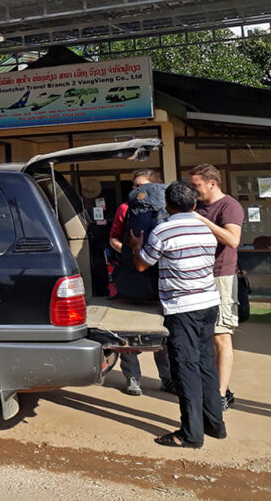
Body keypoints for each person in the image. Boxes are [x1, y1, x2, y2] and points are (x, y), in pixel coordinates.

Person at [128, 180, 224, 448]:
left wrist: (137, 244)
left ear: (167, 205)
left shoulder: (164, 231)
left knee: (185, 368)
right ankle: (215, 425)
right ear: (193, 204)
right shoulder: (206, 228)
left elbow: (141, 265)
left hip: (183, 309)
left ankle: (191, 434)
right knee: (206, 364)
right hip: (208, 304)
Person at [109, 169, 172, 396]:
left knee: (162, 334)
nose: (137, 190)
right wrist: (129, 252)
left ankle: (167, 378)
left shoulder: (168, 207)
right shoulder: (126, 208)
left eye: (142, 185)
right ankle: (133, 378)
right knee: (129, 332)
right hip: (133, 273)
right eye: (134, 186)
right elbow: (114, 237)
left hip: (158, 278)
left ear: (156, 186)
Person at [188, 164, 244, 411]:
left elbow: (232, 240)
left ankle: (220, 396)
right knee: (205, 338)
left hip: (220, 278)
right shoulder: (196, 206)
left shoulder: (229, 206)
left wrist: (200, 219)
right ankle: (220, 386)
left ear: (212, 184)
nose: (193, 190)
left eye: (196, 185)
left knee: (221, 336)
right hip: (197, 278)